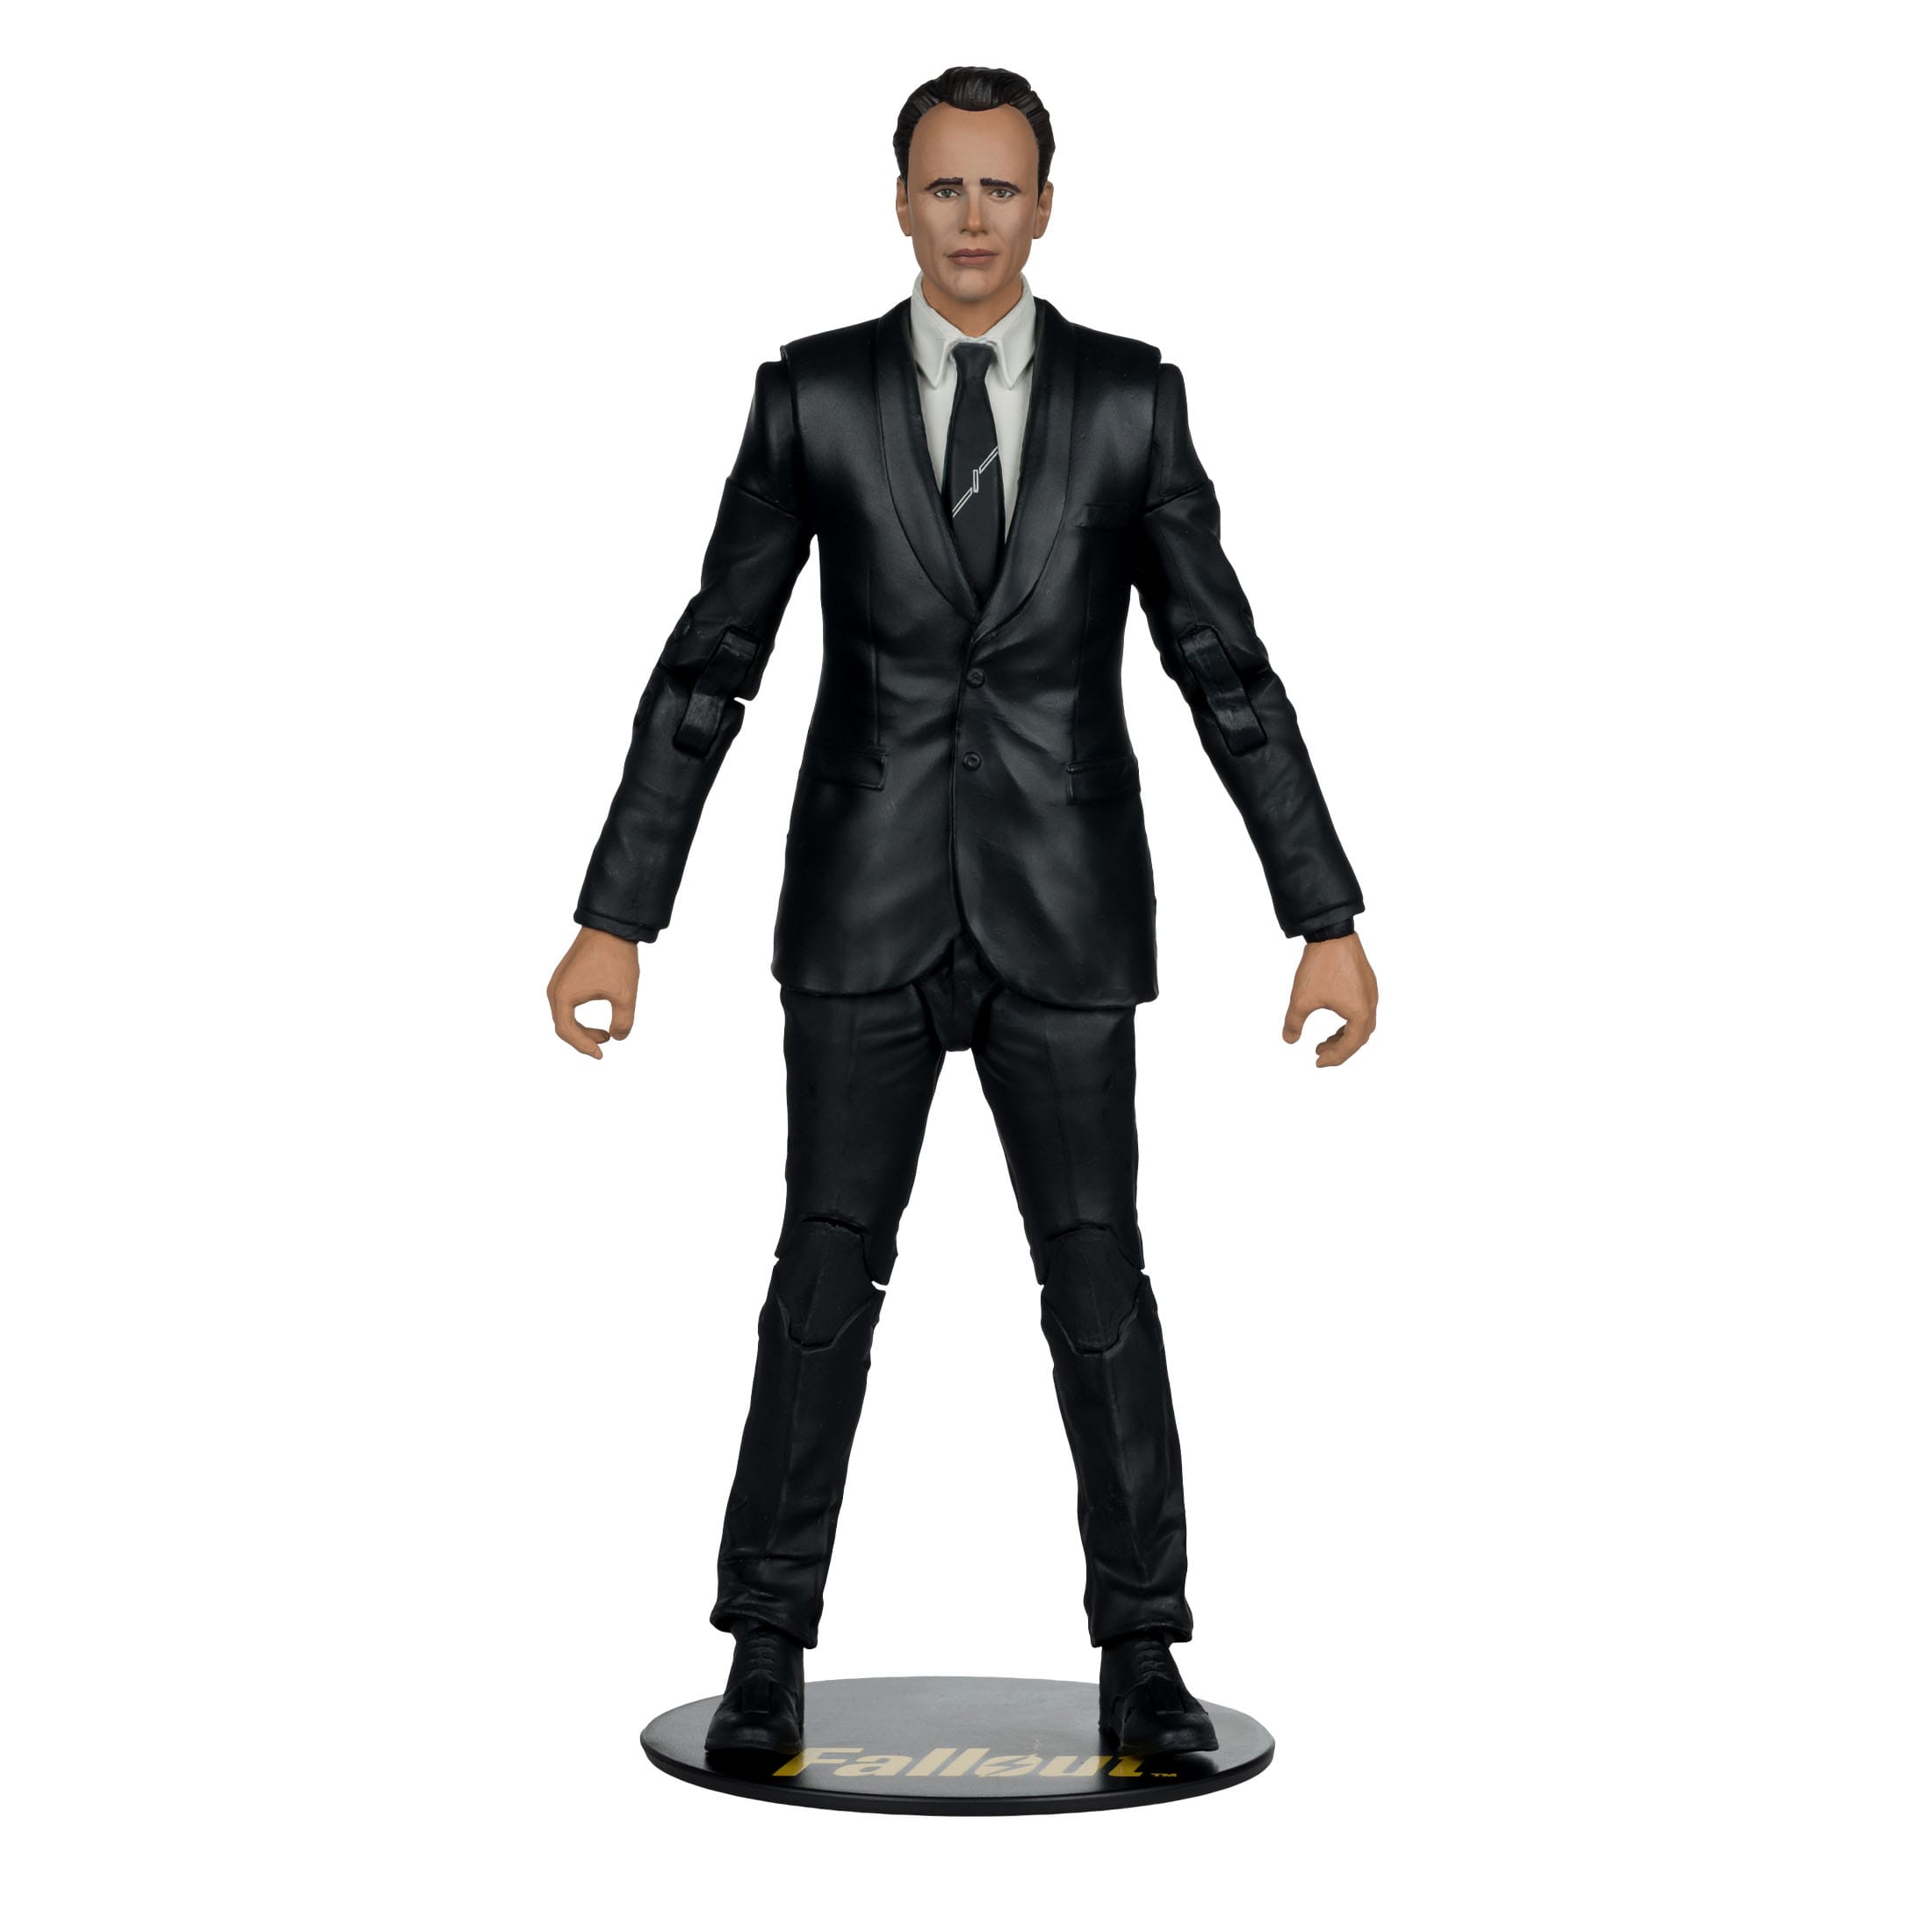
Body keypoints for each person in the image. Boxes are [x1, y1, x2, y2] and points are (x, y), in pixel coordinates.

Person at [546, 65, 1379, 1759]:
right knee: (819, 1283)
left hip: (1066, 917)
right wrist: (620, 911)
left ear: (1047, 206)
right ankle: (765, 1644)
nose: (973, 219)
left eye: (1002, 189)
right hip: (861, 910)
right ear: (900, 201)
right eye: (945, 188)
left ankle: (1144, 1654)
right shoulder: (814, 395)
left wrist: (1323, 910)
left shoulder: (1132, 401)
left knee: (1100, 1289)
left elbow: (1222, 664)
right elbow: (714, 662)